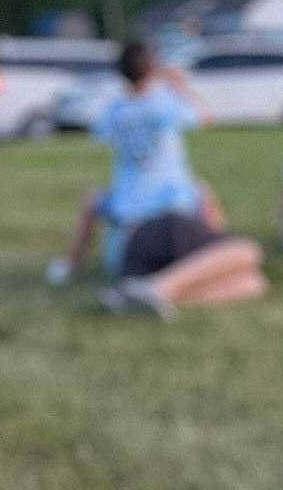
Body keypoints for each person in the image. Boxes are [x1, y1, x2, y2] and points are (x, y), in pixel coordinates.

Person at [48, 40, 266, 316]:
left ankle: (146, 295)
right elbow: (205, 118)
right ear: (153, 68)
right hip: (167, 224)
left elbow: (93, 198)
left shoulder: (115, 112)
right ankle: (159, 288)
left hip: (128, 250)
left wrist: (72, 267)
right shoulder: (165, 102)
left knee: (253, 284)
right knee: (247, 251)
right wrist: (179, 85)